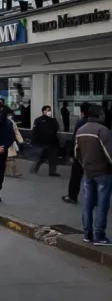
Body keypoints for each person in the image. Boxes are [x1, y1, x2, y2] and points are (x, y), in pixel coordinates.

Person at [74, 105, 112, 246]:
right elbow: (109, 154)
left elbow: (77, 153)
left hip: (88, 172)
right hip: (103, 173)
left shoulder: (81, 130)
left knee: (88, 204)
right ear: (100, 114)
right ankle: (100, 235)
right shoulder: (103, 130)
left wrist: (85, 164)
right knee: (102, 204)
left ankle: (87, 234)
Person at [62, 102, 91, 205]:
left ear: (82, 112)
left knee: (76, 177)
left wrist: (72, 155)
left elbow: (75, 140)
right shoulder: (99, 123)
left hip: (80, 155)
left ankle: (72, 197)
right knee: (93, 178)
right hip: (94, 156)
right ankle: (95, 199)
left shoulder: (80, 123)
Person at [31, 105, 61, 177]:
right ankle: (34, 169)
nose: (50, 112)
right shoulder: (38, 120)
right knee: (41, 158)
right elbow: (34, 132)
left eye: (50, 110)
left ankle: (52, 172)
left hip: (52, 142)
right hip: (42, 143)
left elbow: (56, 129)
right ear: (44, 111)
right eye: (48, 110)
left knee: (53, 158)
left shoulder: (53, 120)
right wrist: (35, 142)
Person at [5, 112, 24, 178]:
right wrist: (20, 140)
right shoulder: (11, 122)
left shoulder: (10, 122)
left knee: (9, 158)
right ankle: (12, 172)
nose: (10, 116)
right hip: (8, 142)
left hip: (5, 142)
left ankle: (9, 172)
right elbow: (16, 131)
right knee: (9, 158)